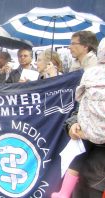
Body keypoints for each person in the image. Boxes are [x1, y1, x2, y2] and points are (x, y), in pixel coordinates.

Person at [52, 31, 100, 198]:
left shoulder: (94, 69)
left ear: (85, 46)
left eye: (73, 43)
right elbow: (80, 104)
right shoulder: (76, 66)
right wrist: (73, 123)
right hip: (80, 126)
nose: (69, 47)